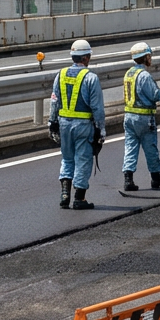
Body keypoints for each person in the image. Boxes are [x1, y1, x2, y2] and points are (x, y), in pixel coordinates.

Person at [49, 39, 105, 210]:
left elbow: (54, 101)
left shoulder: (61, 74)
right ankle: (79, 198)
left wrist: (52, 123)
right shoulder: (91, 78)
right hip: (83, 125)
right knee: (83, 160)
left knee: (67, 158)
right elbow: (97, 107)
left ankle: (64, 194)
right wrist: (100, 129)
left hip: (64, 123)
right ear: (87, 57)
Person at [121, 42, 160, 192]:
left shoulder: (129, 73)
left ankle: (128, 179)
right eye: (150, 56)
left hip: (129, 117)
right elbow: (154, 95)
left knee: (130, 147)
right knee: (150, 148)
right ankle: (156, 179)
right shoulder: (144, 75)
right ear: (146, 57)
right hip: (144, 118)